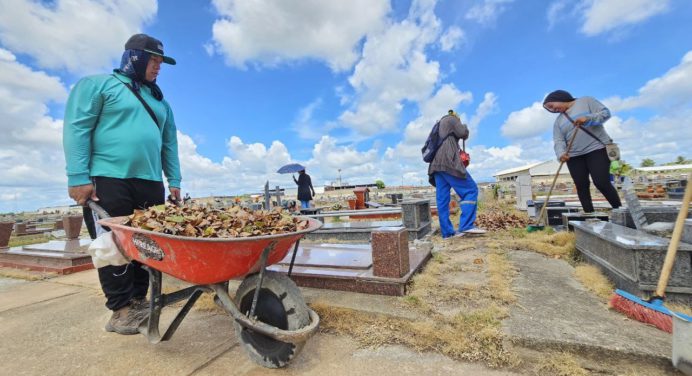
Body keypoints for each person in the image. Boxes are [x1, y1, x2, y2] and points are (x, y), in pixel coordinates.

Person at [63, 33, 182, 335]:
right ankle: (120, 310)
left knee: (147, 245)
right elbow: (77, 129)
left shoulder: (160, 103)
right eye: (153, 60)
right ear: (135, 57)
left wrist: (175, 181)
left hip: (151, 183)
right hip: (107, 180)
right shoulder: (98, 85)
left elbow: (169, 144)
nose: (158, 67)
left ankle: (139, 301)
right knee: (112, 247)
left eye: (161, 62)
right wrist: (78, 177)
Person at [543, 90, 622, 213]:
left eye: (552, 106)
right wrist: (561, 154)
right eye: (550, 110)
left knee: (601, 182)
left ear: (559, 98)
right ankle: (589, 216)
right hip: (574, 156)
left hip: (596, 149)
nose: (553, 110)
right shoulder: (558, 122)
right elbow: (558, 140)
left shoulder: (586, 101)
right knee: (581, 186)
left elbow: (605, 113)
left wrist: (587, 118)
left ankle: (620, 212)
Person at [427, 110, 486, 239]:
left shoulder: (439, 124)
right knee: (471, 190)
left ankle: (447, 233)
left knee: (442, 200)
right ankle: (466, 225)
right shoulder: (452, 119)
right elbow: (463, 133)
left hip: (436, 166)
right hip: (449, 162)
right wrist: (464, 126)